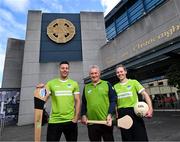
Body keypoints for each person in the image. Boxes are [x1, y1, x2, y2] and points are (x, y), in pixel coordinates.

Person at [37, 61, 81, 141]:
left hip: (70, 120)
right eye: (63, 68)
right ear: (59, 69)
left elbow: (78, 101)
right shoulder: (51, 83)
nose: (65, 70)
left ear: (69, 70)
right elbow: (43, 98)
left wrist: (76, 117)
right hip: (55, 121)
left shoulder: (74, 84)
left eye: (67, 68)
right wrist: (39, 90)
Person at [114, 64, 153, 141]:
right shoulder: (114, 87)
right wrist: (116, 117)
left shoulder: (134, 82)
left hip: (135, 112)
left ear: (125, 72)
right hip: (122, 114)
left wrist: (150, 109)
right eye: (117, 72)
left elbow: (145, 94)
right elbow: (115, 104)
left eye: (121, 71)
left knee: (141, 138)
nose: (120, 73)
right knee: (127, 139)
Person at [81, 65, 117, 141]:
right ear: (89, 75)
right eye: (92, 73)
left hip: (105, 121)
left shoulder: (107, 84)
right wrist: (83, 114)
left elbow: (113, 100)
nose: (94, 75)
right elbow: (84, 103)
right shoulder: (86, 87)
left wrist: (110, 114)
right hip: (92, 123)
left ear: (99, 73)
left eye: (96, 73)